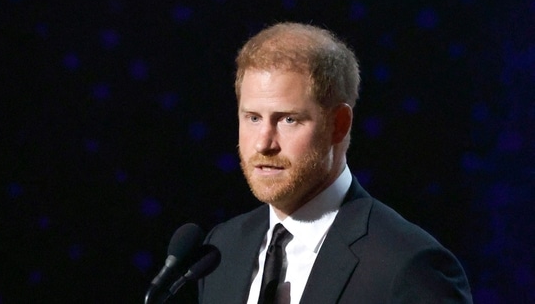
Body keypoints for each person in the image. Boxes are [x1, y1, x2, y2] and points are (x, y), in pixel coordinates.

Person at [198, 22, 472, 304]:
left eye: (288, 119)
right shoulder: (221, 248)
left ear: (338, 125)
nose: (263, 143)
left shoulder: (409, 267)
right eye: (253, 118)